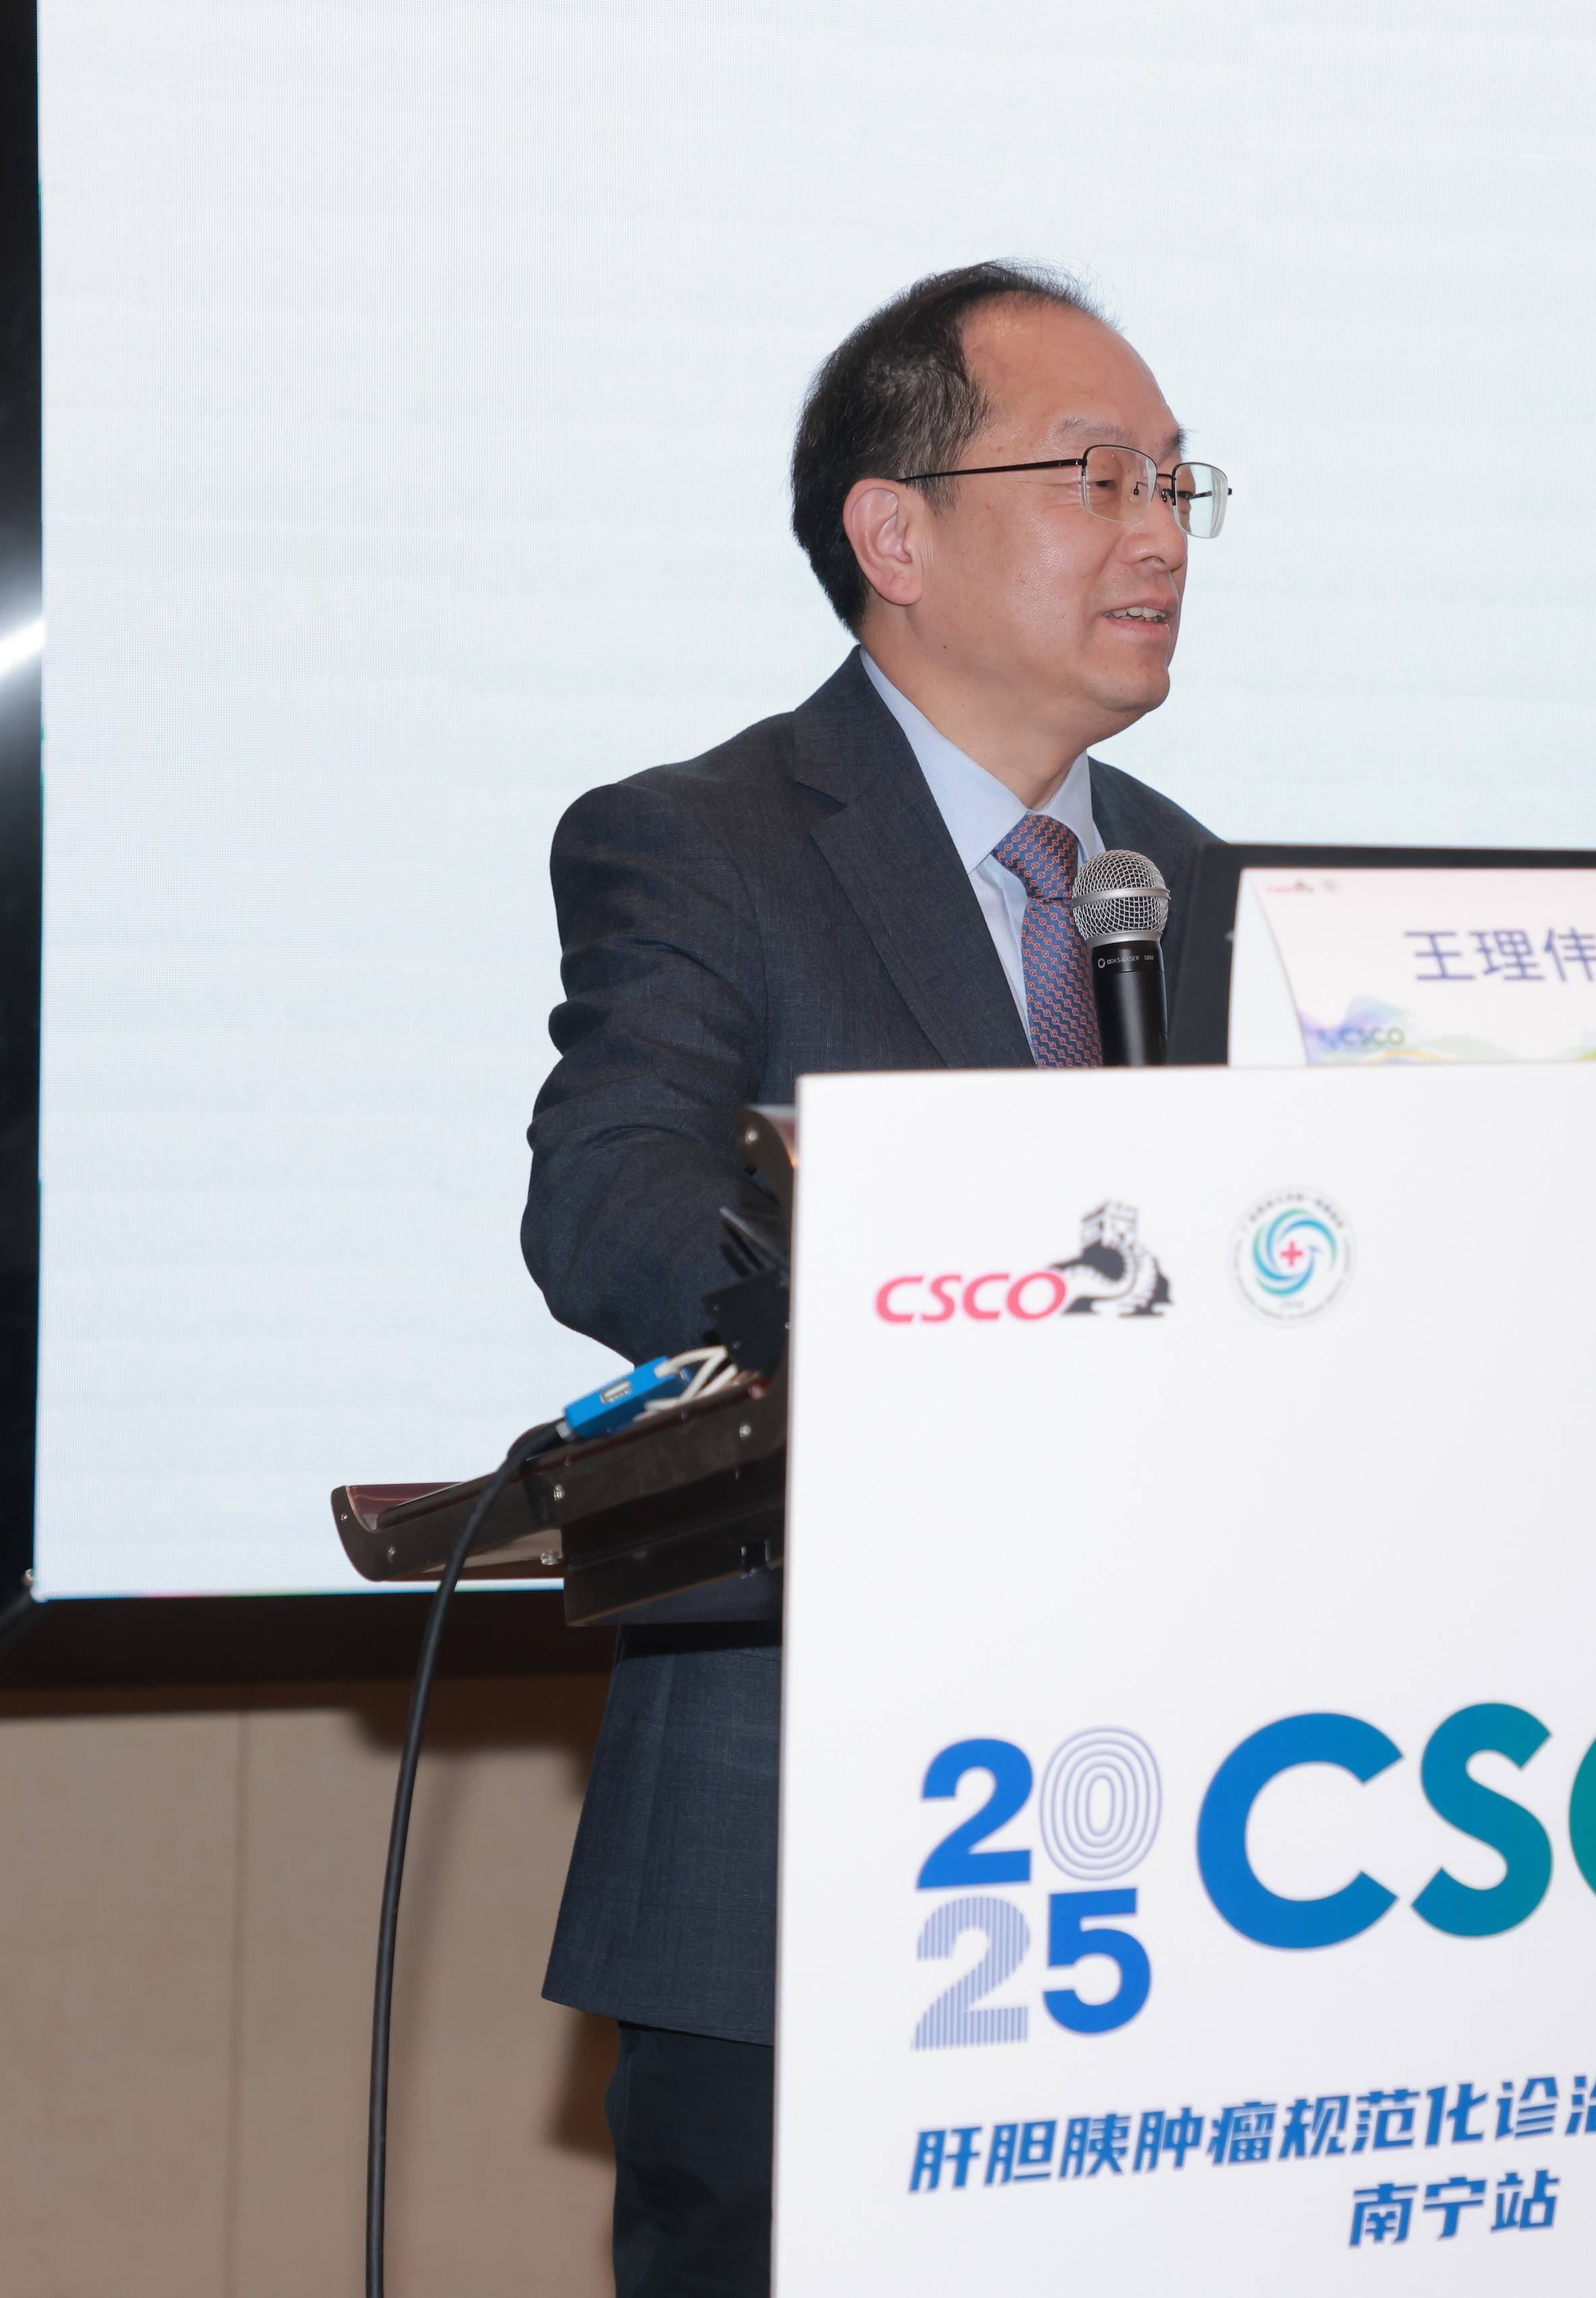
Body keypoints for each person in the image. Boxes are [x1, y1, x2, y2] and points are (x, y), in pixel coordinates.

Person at [521, 262, 1229, 2296]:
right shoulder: (705, 841)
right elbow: (609, 1202)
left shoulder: (1194, 879)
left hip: (1174, 1846)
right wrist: (924, 1288)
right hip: (807, 1846)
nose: (1160, 533)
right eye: (1096, 476)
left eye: (1179, 482)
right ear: (892, 533)